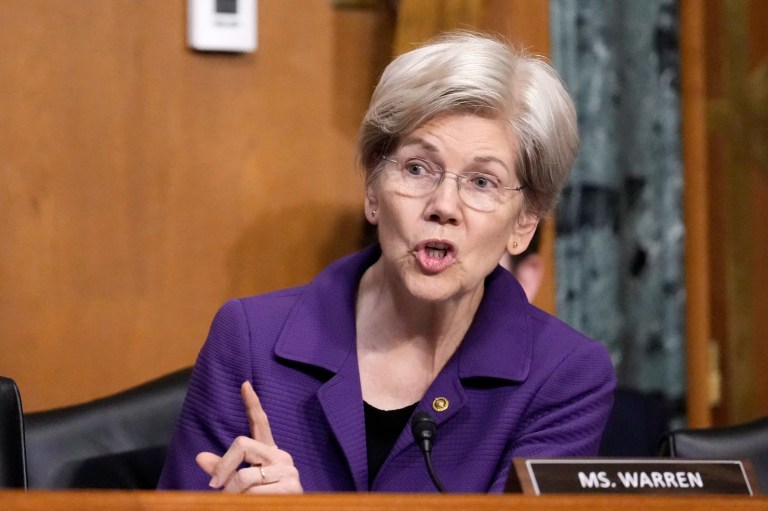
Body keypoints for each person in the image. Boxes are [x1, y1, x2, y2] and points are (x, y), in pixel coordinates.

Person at [157, 31, 615, 494]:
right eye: (418, 168)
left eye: (482, 182)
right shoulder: (251, 339)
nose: (444, 205)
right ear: (373, 190)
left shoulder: (565, 375)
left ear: (525, 224)